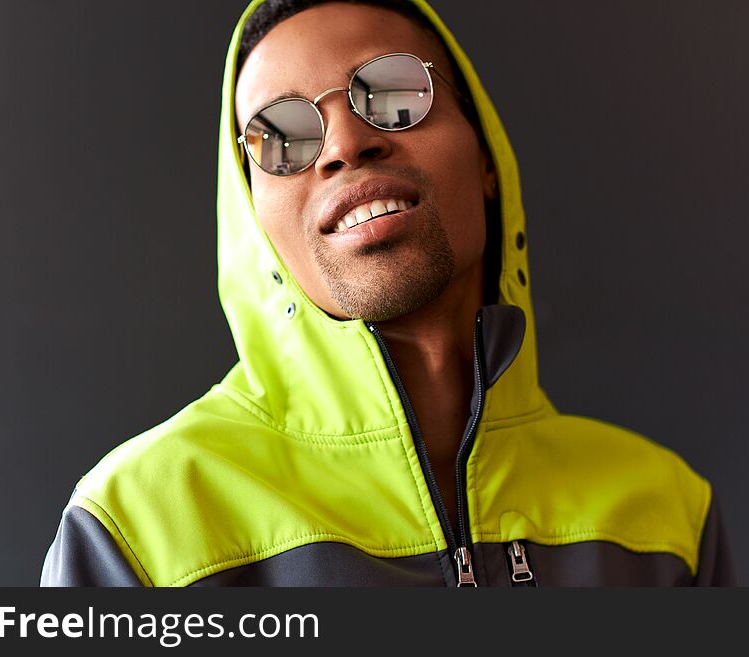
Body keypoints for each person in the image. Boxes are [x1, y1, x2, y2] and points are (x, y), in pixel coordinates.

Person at [41, 0, 733, 586]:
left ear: (486, 157)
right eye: (281, 137)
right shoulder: (135, 528)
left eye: (396, 93)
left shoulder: (669, 516)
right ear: (253, 216)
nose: (345, 142)